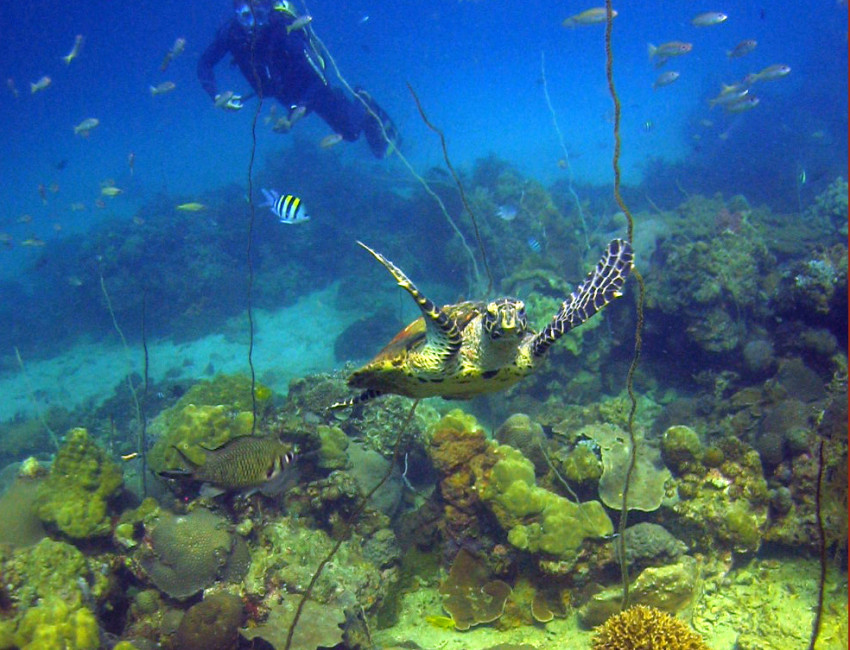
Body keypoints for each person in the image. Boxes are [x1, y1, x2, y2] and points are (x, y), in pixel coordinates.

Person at [198, 0, 399, 158]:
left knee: (351, 133)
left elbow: (319, 79)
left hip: (311, 89)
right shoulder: (231, 34)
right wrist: (216, 95)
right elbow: (204, 64)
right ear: (237, 15)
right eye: (245, 17)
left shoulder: (284, 30)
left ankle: (363, 99)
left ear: (267, 12)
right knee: (346, 133)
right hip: (283, 93)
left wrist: (297, 112)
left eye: (258, 16)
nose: (253, 26)